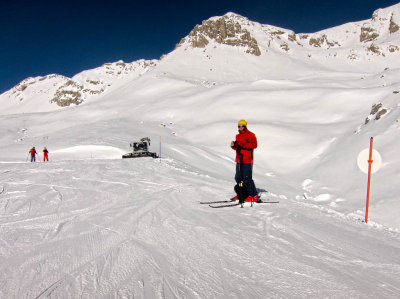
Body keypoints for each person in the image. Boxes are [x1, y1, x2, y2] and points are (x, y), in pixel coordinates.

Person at [230, 120, 259, 202]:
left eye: (242, 126)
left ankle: (253, 195)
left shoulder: (251, 135)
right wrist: (234, 146)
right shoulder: (237, 136)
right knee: (238, 178)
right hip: (239, 159)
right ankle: (241, 194)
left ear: (245, 126)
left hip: (247, 160)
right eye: (239, 126)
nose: (240, 127)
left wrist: (242, 144)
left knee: (247, 179)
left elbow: (254, 145)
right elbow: (238, 148)